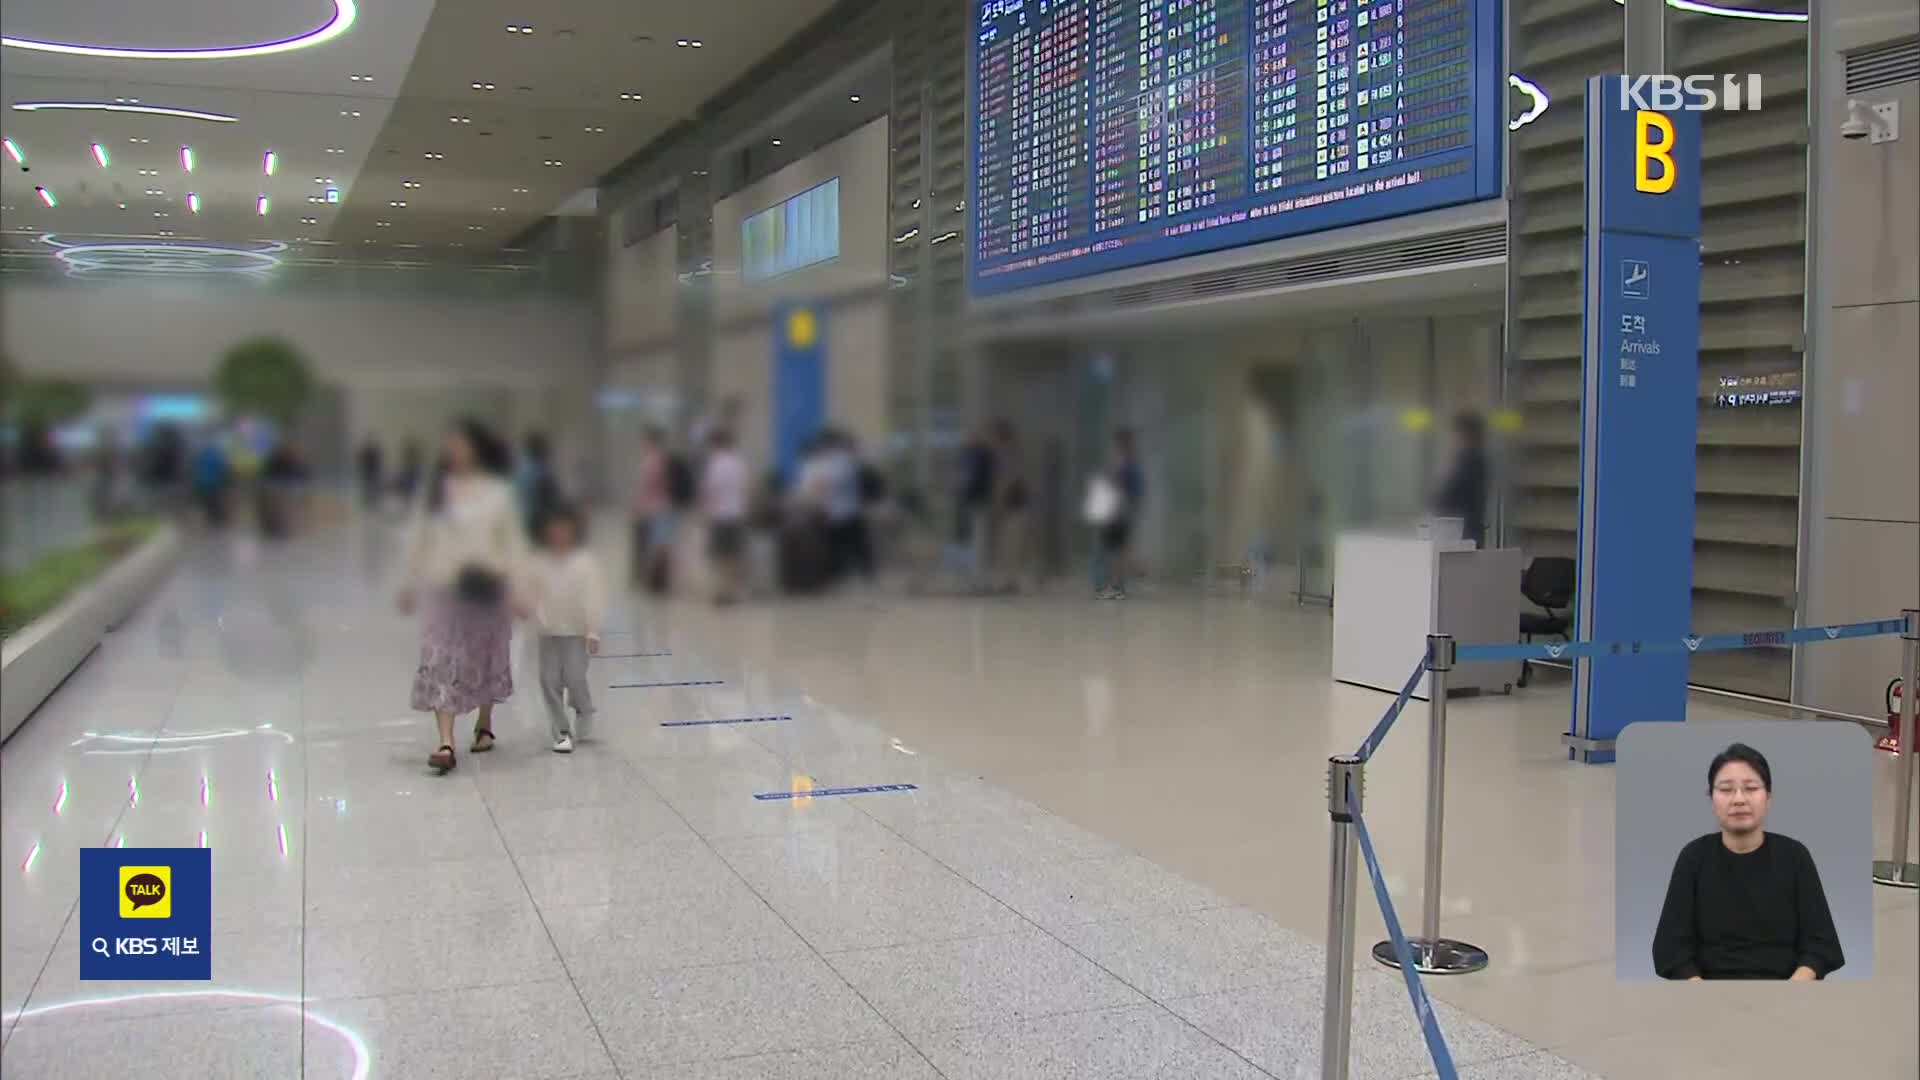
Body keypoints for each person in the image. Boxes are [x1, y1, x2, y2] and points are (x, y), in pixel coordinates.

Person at [1651, 742, 1844, 981]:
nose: (1739, 799)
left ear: (1768, 797)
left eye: (1751, 788)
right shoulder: (1693, 858)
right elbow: (1670, 948)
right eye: (1726, 789)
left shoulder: (1795, 857)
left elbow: (1821, 943)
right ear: (1712, 799)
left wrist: (1793, 990)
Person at [399, 419, 527, 773]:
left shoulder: (497, 493)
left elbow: (513, 541)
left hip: (487, 589)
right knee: (441, 659)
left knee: (485, 657)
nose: (453, 450)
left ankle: (485, 722)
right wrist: (408, 583)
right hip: (443, 589)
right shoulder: (436, 493)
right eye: (449, 443)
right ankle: (445, 741)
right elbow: (418, 537)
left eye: (460, 443)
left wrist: (519, 586)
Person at [528, 504, 603, 754]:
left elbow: (593, 597)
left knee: (574, 676)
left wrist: (592, 629)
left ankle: (584, 708)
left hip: (576, 631)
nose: (559, 533)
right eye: (554, 528)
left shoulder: (584, 563)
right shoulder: (538, 561)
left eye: (564, 528)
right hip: (548, 632)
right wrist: (537, 614)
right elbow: (532, 593)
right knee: (549, 680)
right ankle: (561, 732)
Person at [1091, 428, 1142, 599]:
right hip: (1124, 512)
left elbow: (1114, 486)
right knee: (1119, 550)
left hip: (1117, 512)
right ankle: (1118, 585)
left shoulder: (1121, 462)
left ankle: (1114, 586)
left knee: (1114, 551)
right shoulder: (1131, 463)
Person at [700, 428, 749, 606]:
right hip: (736, 515)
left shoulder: (716, 463)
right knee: (734, 555)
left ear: (715, 444)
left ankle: (722, 592)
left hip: (720, 515)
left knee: (720, 556)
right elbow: (744, 489)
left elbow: (710, 491)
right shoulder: (739, 463)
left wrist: (705, 514)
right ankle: (734, 592)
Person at [1434, 412, 1489, 548]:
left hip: (1464, 531)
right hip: (1468, 529)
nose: (1453, 438)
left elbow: (1453, 494)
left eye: (1456, 434)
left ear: (1467, 435)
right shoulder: (1473, 459)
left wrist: (1436, 502)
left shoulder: (1471, 461)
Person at [630, 427, 671, 589]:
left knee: (644, 545)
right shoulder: (664, 460)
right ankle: (655, 580)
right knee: (657, 545)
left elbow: (645, 488)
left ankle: (645, 578)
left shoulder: (650, 461)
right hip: (662, 508)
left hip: (648, 510)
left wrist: (636, 507)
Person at [515, 432, 560, 536]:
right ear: (542, 451)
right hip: (538, 521)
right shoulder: (542, 473)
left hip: (521, 520)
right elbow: (551, 501)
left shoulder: (519, 471)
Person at [357, 441, 385, 509]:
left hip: (372, 473)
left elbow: (378, 462)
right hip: (369, 474)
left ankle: (372, 502)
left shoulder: (373, 453)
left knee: (371, 488)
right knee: (368, 488)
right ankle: (369, 503)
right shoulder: (367, 453)